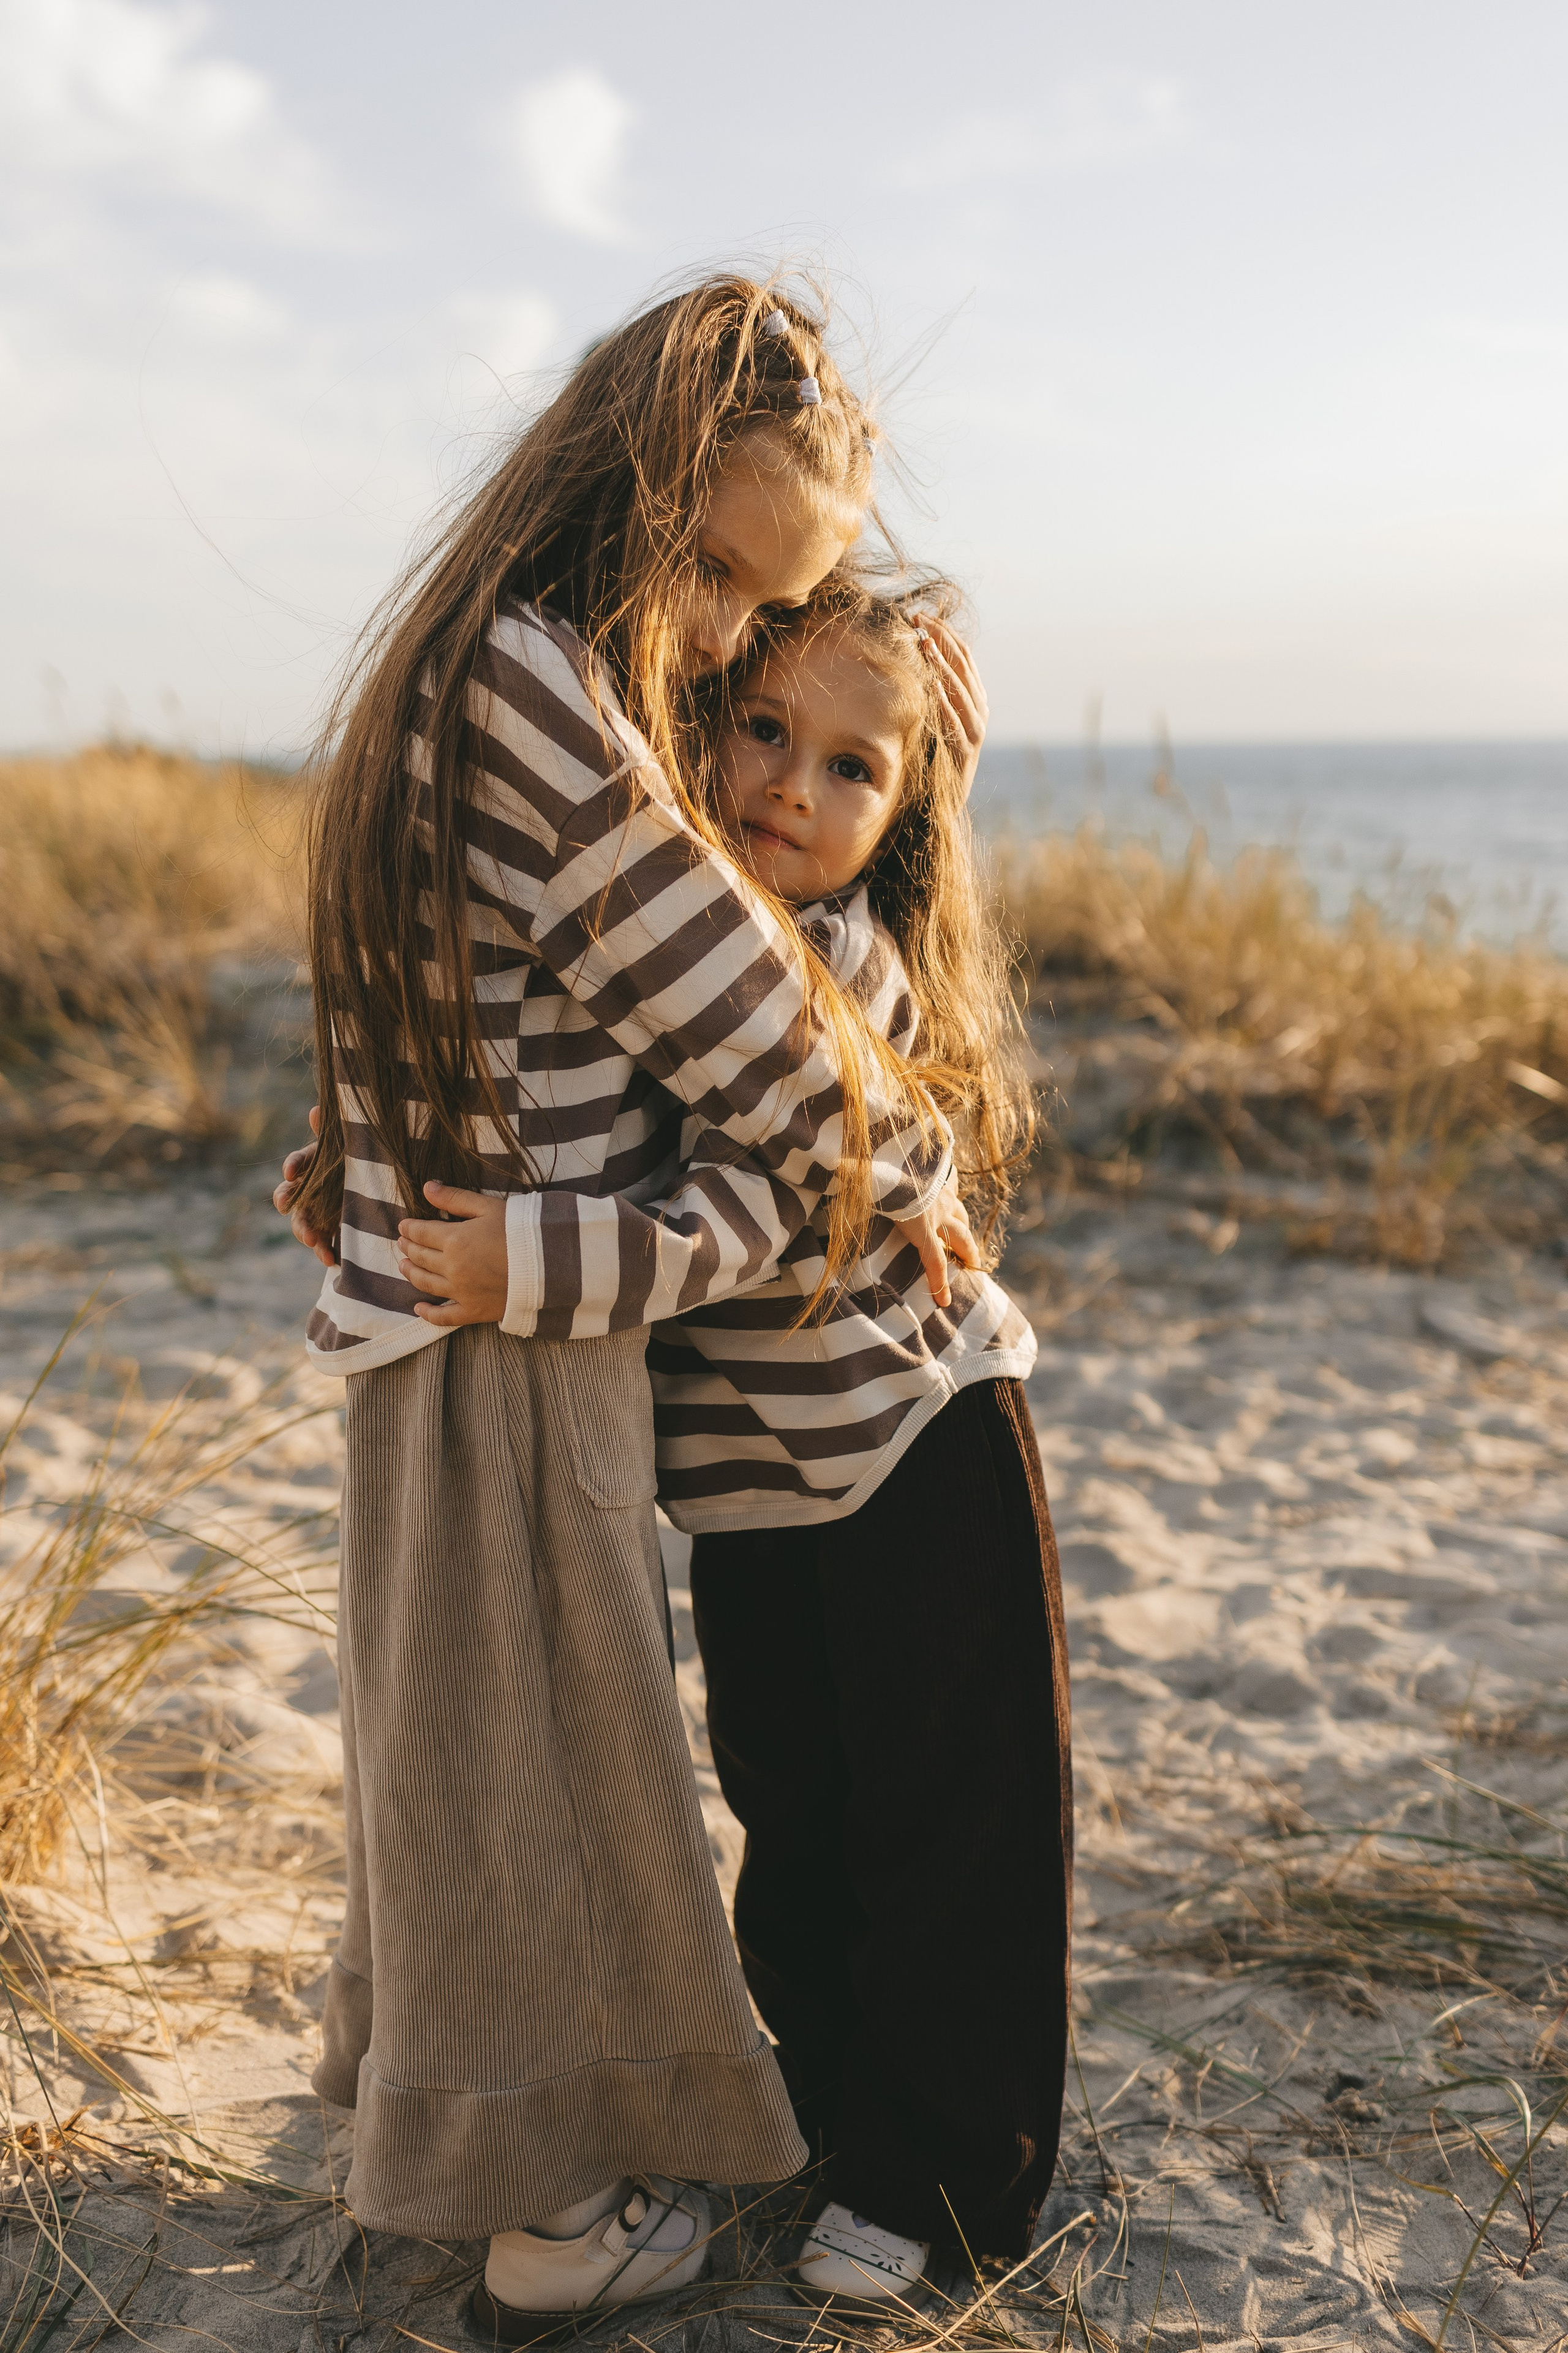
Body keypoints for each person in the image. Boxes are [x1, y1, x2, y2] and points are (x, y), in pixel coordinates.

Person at [280, 277, 970, 2338]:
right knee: (550, 1766)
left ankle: (440, 2124)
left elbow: (407, 1003)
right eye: (715, 568)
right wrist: (914, 1167)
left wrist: (342, 1173)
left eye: (770, 606)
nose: (722, 634)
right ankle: (554, 2217)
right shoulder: (544, 698)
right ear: (624, 474)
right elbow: (754, 1023)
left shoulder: (447, 670)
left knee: (450, 1743)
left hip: (436, 1301)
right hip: (511, 1332)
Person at [391, 580, 1072, 2315]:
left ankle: (947, 2181)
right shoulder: (674, 958)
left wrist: (516, 1266)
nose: (789, 784)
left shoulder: (828, 971)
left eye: (853, 766)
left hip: (920, 1447)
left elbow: (731, 1219)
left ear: (906, 809)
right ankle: (843, 2124)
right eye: (761, 728)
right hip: (756, 1490)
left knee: (951, 1824)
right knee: (796, 1809)